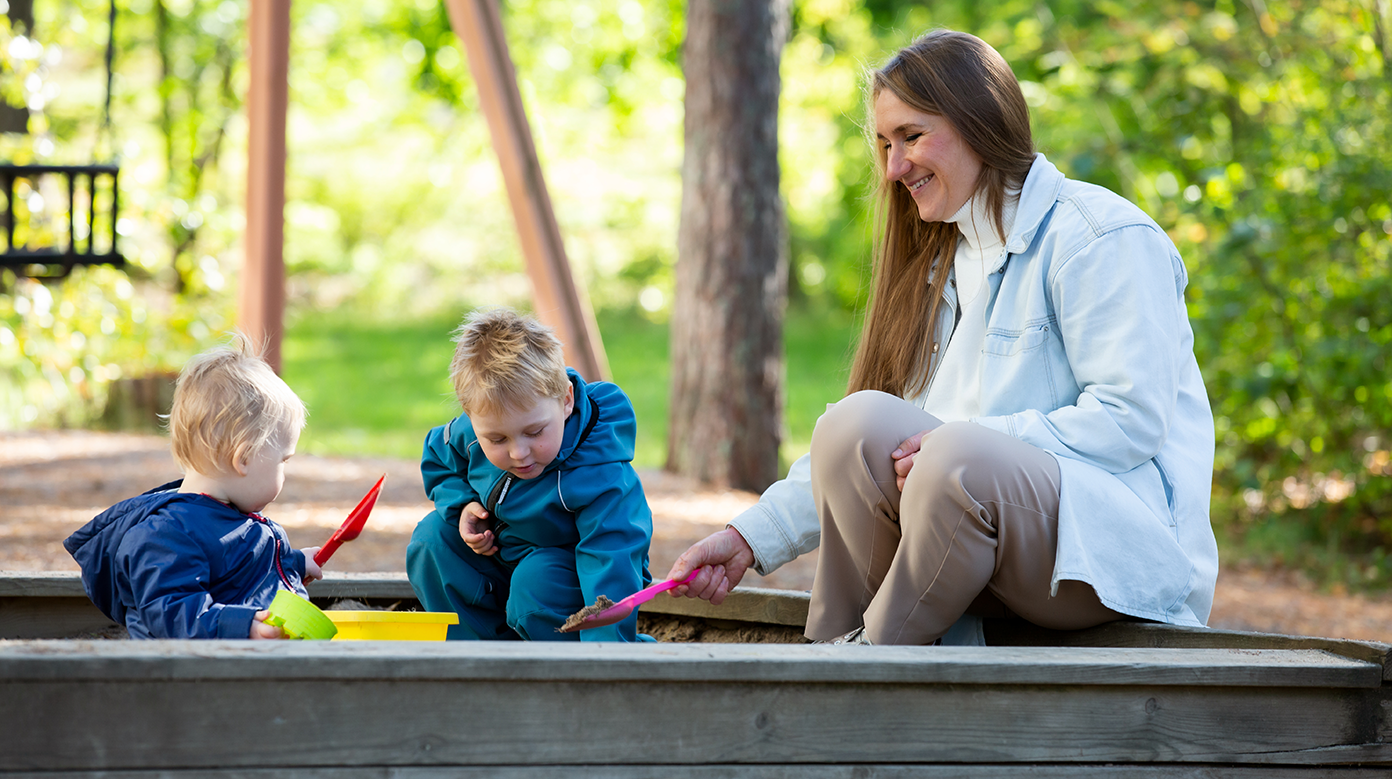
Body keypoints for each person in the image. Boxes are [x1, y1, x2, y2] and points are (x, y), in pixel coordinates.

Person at [666, 30, 1218, 646]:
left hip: (1112, 558)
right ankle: (835, 645)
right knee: (854, 424)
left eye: (911, 136)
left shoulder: (1100, 238)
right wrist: (748, 538)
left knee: (953, 458)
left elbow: (1128, 419)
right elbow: (880, 445)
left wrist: (967, 440)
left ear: (979, 121)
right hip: (984, 546)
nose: (894, 167)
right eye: (883, 143)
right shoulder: (941, 265)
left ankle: (862, 663)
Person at [406, 307, 653, 641]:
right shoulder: (478, 426)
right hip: (503, 559)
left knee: (536, 581)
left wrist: (607, 658)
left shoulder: (598, 470)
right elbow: (438, 458)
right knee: (431, 537)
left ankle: (564, 669)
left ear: (565, 401)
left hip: (568, 582)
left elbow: (612, 560)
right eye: (497, 439)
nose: (518, 452)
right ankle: (478, 659)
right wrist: (461, 504)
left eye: (535, 432)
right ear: (471, 416)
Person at [64, 334, 321, 639]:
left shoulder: (224, 517)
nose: (285, 472)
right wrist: (243, 627)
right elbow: (172, 613)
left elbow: (242, 572)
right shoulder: (168, 535)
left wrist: (291, 563)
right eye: (283, 461)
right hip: (185, 678)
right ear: (244, 458)